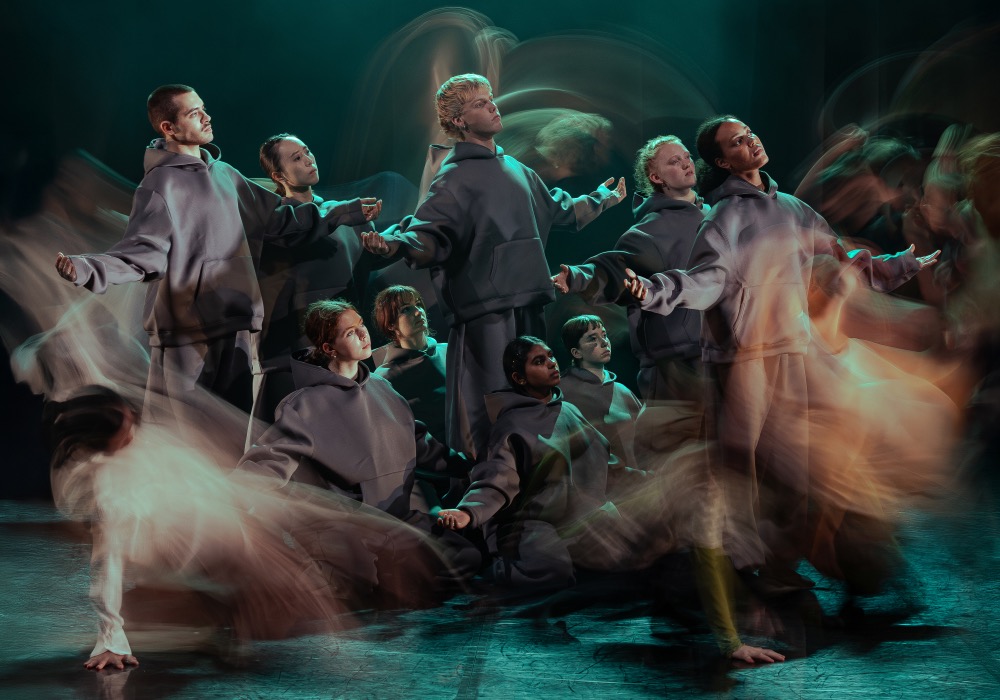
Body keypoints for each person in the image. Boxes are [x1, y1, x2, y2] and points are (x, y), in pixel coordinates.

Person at [622, 115, 940, 594]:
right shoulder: (723, 217)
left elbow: (840, 260)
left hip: (794, 348)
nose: (751, 142)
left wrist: (902, 264)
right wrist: (651, 291)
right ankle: (742, 565)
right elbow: (706, 281)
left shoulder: (792, 208)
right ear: (722, 161)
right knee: (741, 464)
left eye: (751, 134)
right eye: (737, 142)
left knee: (797, 460)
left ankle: (784, 562)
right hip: (742, 358)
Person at [53, 85, 381, 421]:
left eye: (204, 108)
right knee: (181, 430)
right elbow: (143, 253)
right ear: (169, 127)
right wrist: (88, 268)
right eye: (194, 113)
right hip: (187, 333)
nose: (207, 117)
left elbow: (281, 218)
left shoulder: (226, 175)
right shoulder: (160, 185)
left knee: (232, 432)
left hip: (237, 323)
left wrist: (345, 212)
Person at [46, 385, 428, 671]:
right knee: (288, 602)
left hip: (220, 533)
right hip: (197, 553)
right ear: (106, 440)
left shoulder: (146, 444)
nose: (134, 422)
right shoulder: (112, 491)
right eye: (125, 424)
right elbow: (108, 563)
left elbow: (204, 484)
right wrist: (110, 637)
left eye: (131, 417)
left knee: (309, 580)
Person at [363, 73, 626, 458]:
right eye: (480, 104)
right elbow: (428, 231)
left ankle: (534, 475)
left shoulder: (517, 169)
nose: (493, 107)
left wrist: (602, 198)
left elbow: (559, 209)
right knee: (487, 401)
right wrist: (392, 244)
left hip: (528, 300)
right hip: (486, 310)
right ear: (459, 120)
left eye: (491, 99)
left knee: (535, 394)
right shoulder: (454, 176)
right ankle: (482, 479)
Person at [237, 299, 481, 583]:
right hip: (349, 528)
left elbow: (419, 444)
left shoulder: (383, 387)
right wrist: (230, 497)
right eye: (351, 332)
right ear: (329, 348)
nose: (364, 334)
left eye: (361, 325)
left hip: (398, 521)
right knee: (364, 584)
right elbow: (268, 461)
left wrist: (470, 466)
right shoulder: (305, 405)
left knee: (466, 557)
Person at [553, 135, 710, 450]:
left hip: (727, 355)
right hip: (677, 364)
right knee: (677, 459)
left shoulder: (719, 215)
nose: (686, 163)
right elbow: (616, 269)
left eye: (686, 156)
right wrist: (577, 277)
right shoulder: (649, 231)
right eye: (674, 161)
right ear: (656, 177)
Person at [253, 133, 387, 421]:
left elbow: (362, 270)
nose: (308, 160)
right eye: (296, 158)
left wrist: (380, 249)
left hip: (351, 349)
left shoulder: (349, 216)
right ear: (279, 175)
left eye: (307, 151)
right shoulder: (275, 226)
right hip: (301, 355)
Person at [371, 284, 453, 511]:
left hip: (471, 458)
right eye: (406, 309)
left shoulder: (451, 351)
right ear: (391, 325)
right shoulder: (384, 378)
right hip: (425, 474)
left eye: (418, 304)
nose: (418, 312)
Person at [557, 314, 642, 471]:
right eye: (592, 339)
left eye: (604, 335)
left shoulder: (622, 391)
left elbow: (644, 439)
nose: (604, 342)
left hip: (634, 479)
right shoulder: (562, 391)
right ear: (576, 352)